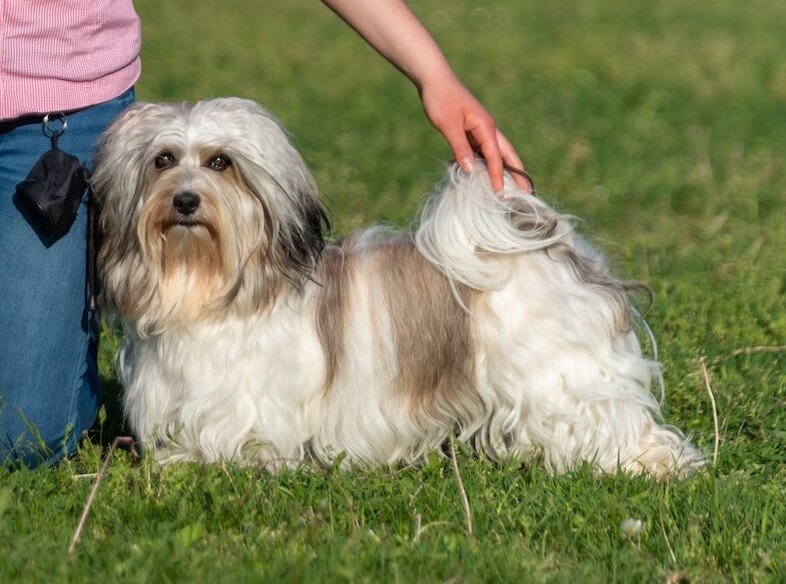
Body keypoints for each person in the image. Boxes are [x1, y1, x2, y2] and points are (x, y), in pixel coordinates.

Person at [0, 0, 529, 468]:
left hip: (51, 103)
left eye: (220, 165)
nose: (186, 192)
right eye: (164, 163)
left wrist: (433, 73)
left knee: (21, 439)